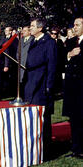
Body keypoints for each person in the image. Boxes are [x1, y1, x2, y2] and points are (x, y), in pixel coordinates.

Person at [24, 18, 57, 158]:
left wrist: (49, 86)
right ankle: (34, 149)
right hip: (31, 84)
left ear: (40, 28)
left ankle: (46, 151)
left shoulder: (49, 43)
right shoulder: (34, 41)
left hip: (41, 85)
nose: (30, 28)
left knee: (43, 119)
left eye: (32, 26)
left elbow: (52, 66)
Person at [62, 17, 83, 159]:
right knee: (74, 118)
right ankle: (76, 148)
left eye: (77, 25)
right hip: (72, 87)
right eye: (74, 25)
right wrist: (70, 54)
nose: (74, 27)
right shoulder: (70, 42)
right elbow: (61, 58)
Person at [18, 25, 33, 97]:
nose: (23, 32)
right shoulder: (21, 40)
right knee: (20, 82)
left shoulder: (32, 40)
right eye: (22, 30)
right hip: (20, 64)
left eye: (25, 30)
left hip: (28, 65)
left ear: (29, 32)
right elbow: (18, 52)